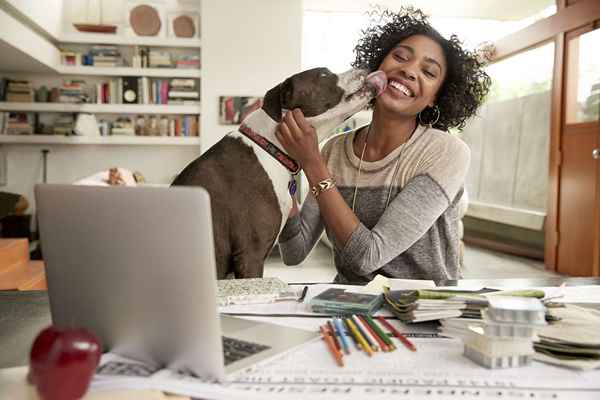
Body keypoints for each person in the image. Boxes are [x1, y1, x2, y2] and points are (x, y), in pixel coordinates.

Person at [275, 8, 491, 283]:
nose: (409, 70)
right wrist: (285, 167)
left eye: (428, 71)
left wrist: (312, 164)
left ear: (436, 97)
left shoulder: (446, 152)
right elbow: (294, 252)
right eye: (400, 57)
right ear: (379, 66)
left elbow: (367, 257)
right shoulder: (334, 150)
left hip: (423, 311)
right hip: (349, 307)